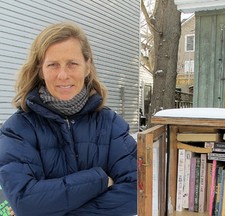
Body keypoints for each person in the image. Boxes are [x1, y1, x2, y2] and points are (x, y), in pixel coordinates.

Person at [0, 22, 137, 216]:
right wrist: (99, 179)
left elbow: (136, 192)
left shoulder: (110, 124)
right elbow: (25, 201)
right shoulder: (18, 129)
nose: (63, 75)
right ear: (40, 70)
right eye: (53, 65)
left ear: (87, 66)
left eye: (72, 64)